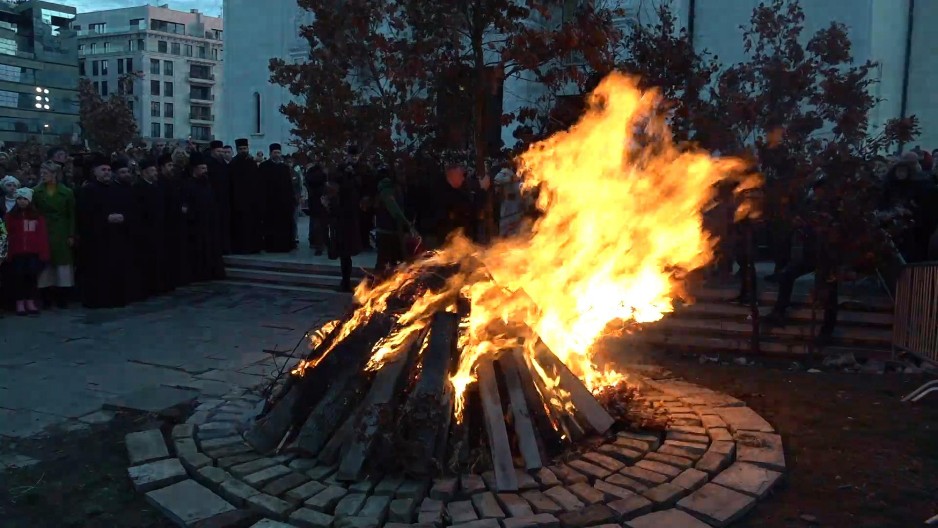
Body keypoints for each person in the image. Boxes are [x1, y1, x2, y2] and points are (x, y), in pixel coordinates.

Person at [76, 154, 137, 309]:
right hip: (96, 239)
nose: (107, 172)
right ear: (95, 172)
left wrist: (123, 217)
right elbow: (84, 214)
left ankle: (116, 298)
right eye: (103, 169)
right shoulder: (88, 190)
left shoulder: (116, 189)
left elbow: (129, 208)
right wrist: (105, 218)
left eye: (109, 169)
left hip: (116, 236)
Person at [32, 161, 76, 309]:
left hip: (61, 230)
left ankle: (62, 296)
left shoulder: (67, 192)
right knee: (45, 263)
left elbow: (72, 215)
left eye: (46, 173)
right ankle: (46, 297)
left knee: (62, 264)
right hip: (43, 230)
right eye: (42, 173)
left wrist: (71, 234)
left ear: (54, 174)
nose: (43, 176)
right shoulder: (36, 192)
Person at [181, 152, 225, 282]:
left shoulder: (207, 184)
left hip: (209, 224)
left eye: (206, 168)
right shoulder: (188, 185)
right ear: (195, 169)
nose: (205, 171)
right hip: (196, 225)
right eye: (202, 168)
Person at [5, 188, 50, 315]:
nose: (22, 201)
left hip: (33, 252)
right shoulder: (10, 216)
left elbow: (42, 236)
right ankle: (19, 302)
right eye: (19, 199)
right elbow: (6, 234)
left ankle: (30, 301)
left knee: (31, 277)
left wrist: (43, 253)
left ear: (29, 200)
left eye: (25, 199)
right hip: (17, 252)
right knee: (19, 278)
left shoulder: (37, 217)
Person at [426, 162, 491, 249]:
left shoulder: (456, 188)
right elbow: (472, 210)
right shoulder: (445, 194)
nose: (463, 178)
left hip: (460, 236)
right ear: (452, 175)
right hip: (451, 239)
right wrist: (483, 190)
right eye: (461, 175)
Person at [324, 161, 362, 291]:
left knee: (344, 256)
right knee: (346, 256)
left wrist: (327, 206)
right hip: (349, 226)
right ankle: (345, 282)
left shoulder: (341, 191)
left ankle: (345, 283)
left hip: (342, 226)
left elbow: (337, 210)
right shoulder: (352, 187)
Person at [373, 164, 417, 275]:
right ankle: (375, 286)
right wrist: (407, 224)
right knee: (383, 263)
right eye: (401, 174)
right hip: (386, 231)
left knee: (396, 263)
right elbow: (395, 210)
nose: (404, 177)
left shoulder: (399, 189)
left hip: (394, 231)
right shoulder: (387, 190)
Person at [134, 158, 168, 297]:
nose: (155, 173)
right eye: (152, 171)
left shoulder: (157, 187)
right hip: (146, 230)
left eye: (155, 170)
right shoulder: (138, 188)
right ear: (144, 173)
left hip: (158, 229)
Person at [259, 143, 297, 253]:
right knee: (270, 226)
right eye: (275, 152)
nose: (277, 155)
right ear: (270, 153)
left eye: (279, 152)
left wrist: (291, 199)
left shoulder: (284, 168)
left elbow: (289, 185)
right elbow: (261, 185)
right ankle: (270, 246)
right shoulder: (264, 166)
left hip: (284, 203)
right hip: (270, 203)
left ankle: (285, 245)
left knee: (284, 226)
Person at [229, 138, 264, 254]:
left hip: (253, 202)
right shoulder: (233, 164)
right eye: (241, 149)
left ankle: (254, 247)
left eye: (245, 149)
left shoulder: (252, 163)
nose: (243, 151)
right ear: (237, 150)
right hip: (239, 202)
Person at [159, 153, 187, 290]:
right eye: (169, 165)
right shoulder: (160, 183)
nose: (172, 168)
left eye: (172, 165)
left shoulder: (173, 180)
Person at [206, 140, 232, 255]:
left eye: (222, 151)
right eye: (218, 151)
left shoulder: (223, 164)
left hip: (224, 199)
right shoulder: (208, 163)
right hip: (213, 199)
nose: (221, 153)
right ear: (213, 151)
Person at [303, 161, 327, 255]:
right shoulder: (316, 172)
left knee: (319, 224)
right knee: (318, 224)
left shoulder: (312, 172)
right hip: (318, 200)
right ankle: (319, 244)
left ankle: (320, 242)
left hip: (319, 200)